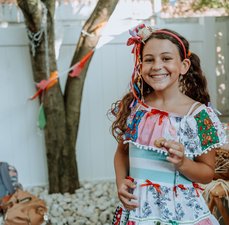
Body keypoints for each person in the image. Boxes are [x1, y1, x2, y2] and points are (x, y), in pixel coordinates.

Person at [110, 24, 227, 225]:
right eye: (149, 59)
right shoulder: (135, 108)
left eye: (166, 58)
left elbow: (207, 173)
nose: (157, 66)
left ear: (184, 66)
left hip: (181, 214)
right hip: (138, 211)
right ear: (140, 66)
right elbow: (121, 153)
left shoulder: (198, 116)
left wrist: (183, 163)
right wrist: (121, 183)